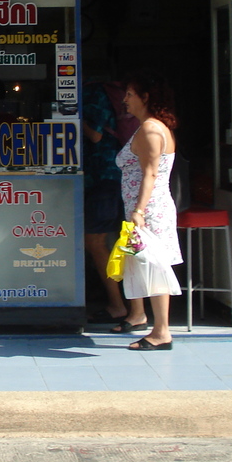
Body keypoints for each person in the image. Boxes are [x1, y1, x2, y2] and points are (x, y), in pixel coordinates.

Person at [116, 73, 182, 351]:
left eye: (130, 94)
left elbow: (150, 173)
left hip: (151, 209)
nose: (125, 100)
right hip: (146, 208)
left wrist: (140, 210)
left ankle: (161, 331)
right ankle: (144, 318)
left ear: (145, 98)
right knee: (147, 266)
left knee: (155, 267)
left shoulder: (151, 130)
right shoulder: (148, 127)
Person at [81, 80, 128, 325]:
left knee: (95, 241)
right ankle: (122, 301)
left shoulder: (94, 94)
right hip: (104, 179)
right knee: (103, 242)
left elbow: (96, 136)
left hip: (105, 178)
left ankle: (118, 305)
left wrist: (72, 119)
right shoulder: (100, 95)